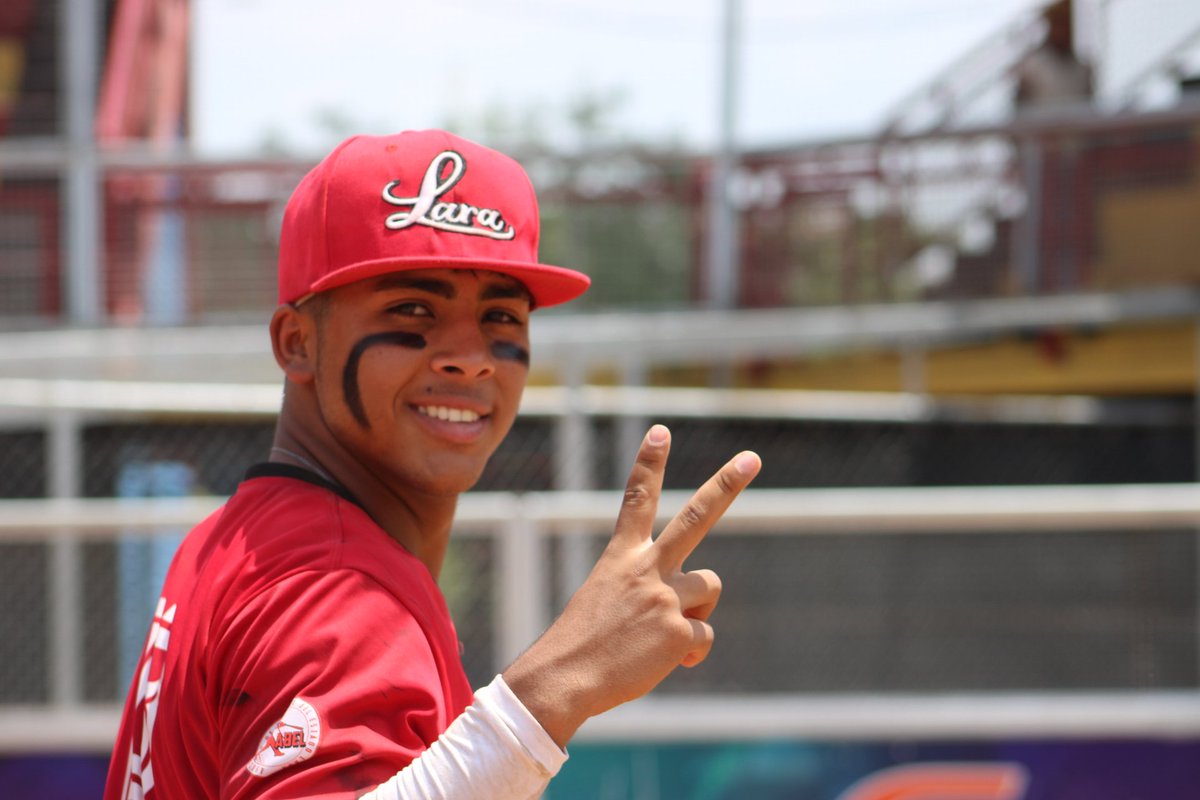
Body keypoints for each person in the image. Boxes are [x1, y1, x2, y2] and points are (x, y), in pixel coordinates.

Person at [104, 128, 761, 799]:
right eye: (413, 307)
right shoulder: (335, 587)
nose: (470, 355)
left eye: (501, 316)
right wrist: (552, 691)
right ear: (298, 343)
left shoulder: (239, 537)